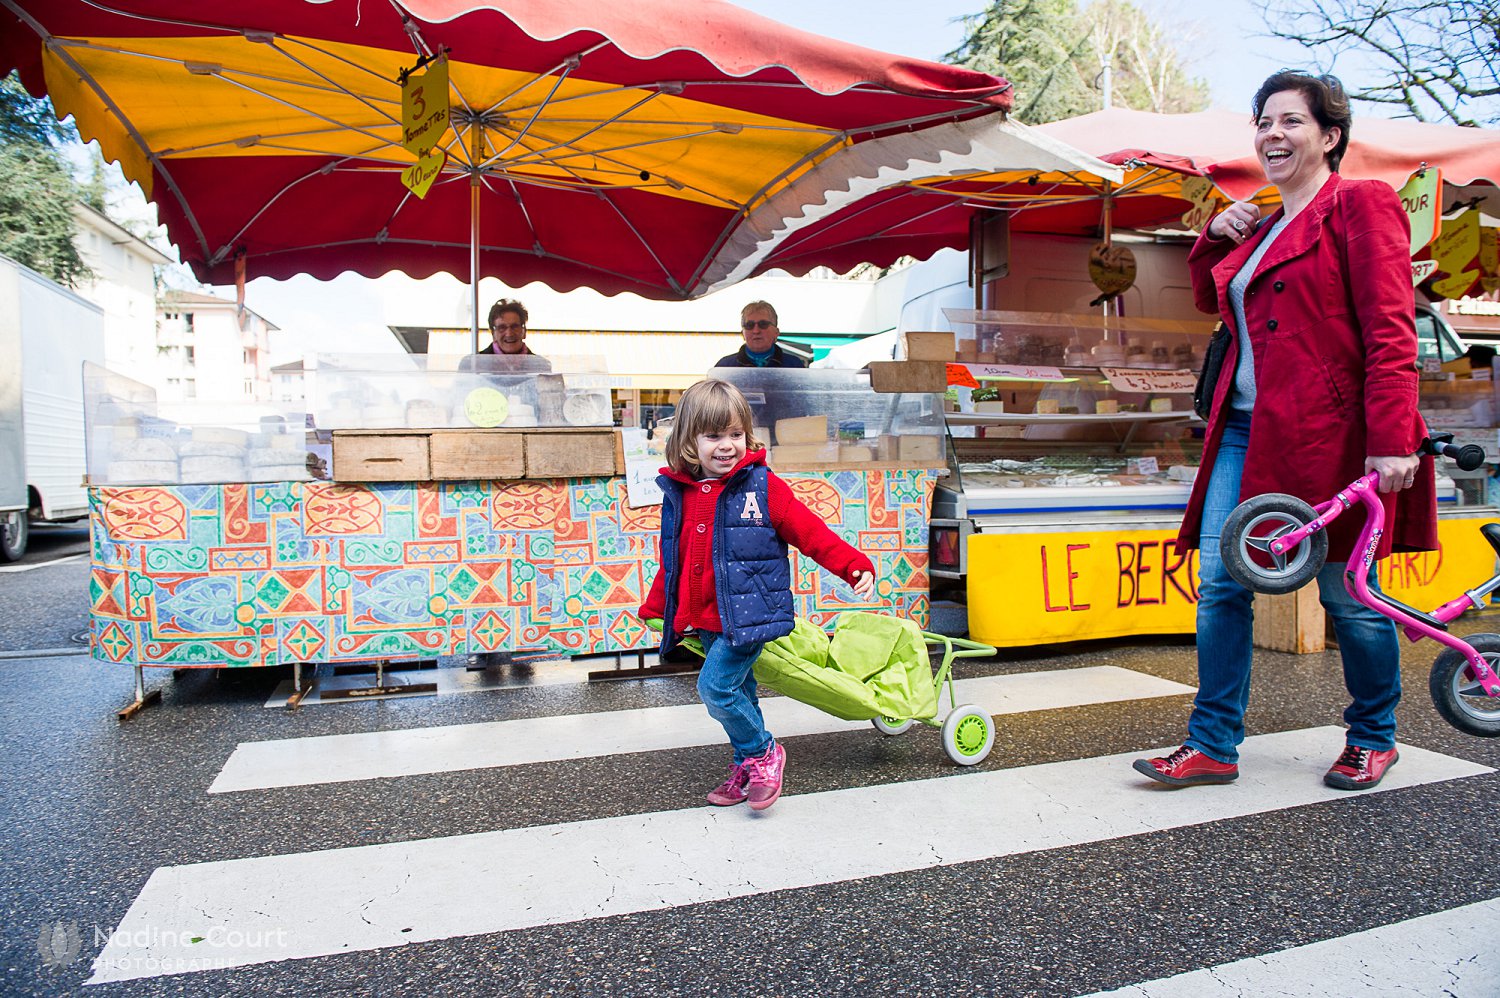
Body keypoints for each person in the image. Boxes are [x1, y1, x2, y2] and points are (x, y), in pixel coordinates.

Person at [1134, 71, 1437, 792]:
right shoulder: (1265, 223)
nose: (1273, 133)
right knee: (1219, 586)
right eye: (1264, 120)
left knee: (1346, 593)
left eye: (1292, 121)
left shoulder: (1360, 203)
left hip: (1331, 437)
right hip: (1242, 431)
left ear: (1330, 136)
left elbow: (1391, 327)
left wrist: (1393, 437)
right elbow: (1213, 297)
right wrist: (1216, 233)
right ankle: (1212, 744)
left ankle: (1373, 736)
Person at [639, 378, 876, 810]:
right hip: (706, 616)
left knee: (716, 690)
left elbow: (812, 534)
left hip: (749, 616)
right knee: (741, 693)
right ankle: (747, 768)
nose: (726, 446)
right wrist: (660, 606)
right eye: (713, 436)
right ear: (690, 440)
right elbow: (673, 558)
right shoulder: (681, 495)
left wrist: (852, 565)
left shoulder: (764, 489)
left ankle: (763, 752)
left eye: (735, 434)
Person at [458, 298, 551, 372]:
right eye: (502, 327)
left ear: (524, 331)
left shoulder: (541, 366)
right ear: (493, 333)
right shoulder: (472, 364)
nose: (509, 333)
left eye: (515, 326)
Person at [714, 301, 807, 368]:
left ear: (776, 332)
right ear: (743, 333)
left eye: (763, 324)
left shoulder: (794, 366)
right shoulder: (725, 367)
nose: (756, 331)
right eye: (749, 325)